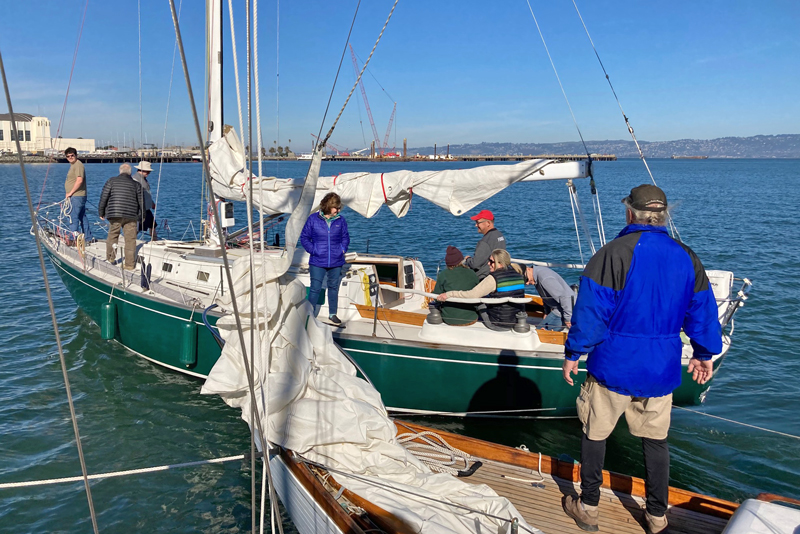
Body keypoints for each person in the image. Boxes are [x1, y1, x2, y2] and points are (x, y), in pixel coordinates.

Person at [560, 184, 722, 534]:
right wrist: (704, 353)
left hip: (613, 366)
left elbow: (590, 314)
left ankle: (588, 507)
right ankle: (657, 516)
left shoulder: (613, 253)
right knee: (655, 441)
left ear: (629, 212)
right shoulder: (686, 256)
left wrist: (574, 354)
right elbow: (703, 312)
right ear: (664, 215)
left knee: (595, 433)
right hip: (659, 370)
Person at [437, 249, 525, 329]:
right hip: (515, 321)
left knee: (480, 302)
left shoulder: (493, 279)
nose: (488, 263)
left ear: (500, 264)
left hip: (498, 323)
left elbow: (471, 295)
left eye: (491, 261)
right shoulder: (519, 275)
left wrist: (449, 294)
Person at [300, 192, 350, 325]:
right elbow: (304, 238)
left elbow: (345, 237)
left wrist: (342, 249)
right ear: (328, 206)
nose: (338, 210)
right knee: (315, 288)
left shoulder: (341, 220)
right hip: (317, 261)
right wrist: (313, 250)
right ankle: (309, 314)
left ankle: (333, 314)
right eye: (336, 208)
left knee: (334, 288)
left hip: (336, 260)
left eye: (339, 208)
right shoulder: (313, 219)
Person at [98, 163, 143, 271]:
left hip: (115, 214)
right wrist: (142, 216)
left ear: (120, 171)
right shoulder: (136, 184)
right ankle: (129, 265)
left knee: (113, 236)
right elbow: (141, 202)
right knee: (130, 240)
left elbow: (104, 197)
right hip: (131, 215)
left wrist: (101, 212)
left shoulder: (111, 181)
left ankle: (110, 259)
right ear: (130, 172)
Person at [432, 246, 479, 326]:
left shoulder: (444, 274)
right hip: (470, 317)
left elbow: (436, 297)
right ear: (461, 260)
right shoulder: (472, 273)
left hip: (449, 318)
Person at [523, 264, 575, 330]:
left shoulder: (544, 278)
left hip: (563, 310)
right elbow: (546, 296)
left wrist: (568, 319)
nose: (527, 283)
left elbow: (565, 297)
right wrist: (547, 312)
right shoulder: (537, 276)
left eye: (526, 279)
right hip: (561, 309)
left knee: (539, 333)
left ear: (528, 269)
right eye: (524, 282)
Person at [464, 209, 506, 280]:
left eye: (478, 222)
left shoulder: (485, 241)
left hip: (484, 278)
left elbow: (475, 264)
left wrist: (468, 259)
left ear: (488, 223)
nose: (476, 225)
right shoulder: (500, 236)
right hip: (499, 275)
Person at [63, 147, 93, 243]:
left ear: (76, 155)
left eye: (72, 155)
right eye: (68, 156)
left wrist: (70, 193)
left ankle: (72, 239)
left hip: (77, 196)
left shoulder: (78, 165)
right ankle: (88, 238)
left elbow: (79, 180)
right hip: (77, 196)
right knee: (81, 216)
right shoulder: (74, 165)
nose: (70, 157)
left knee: (73, 217)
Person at [132, 161, 157, 240]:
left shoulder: (143, 179)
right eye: (147, 171)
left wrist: (152, 203)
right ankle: (130, 241)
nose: (149, 173)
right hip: (140, 209)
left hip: (147, 207)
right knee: (138, 228)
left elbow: (146, 193)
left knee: (153, 225)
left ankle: (154, 241)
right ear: (141, 170)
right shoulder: (135, 179)